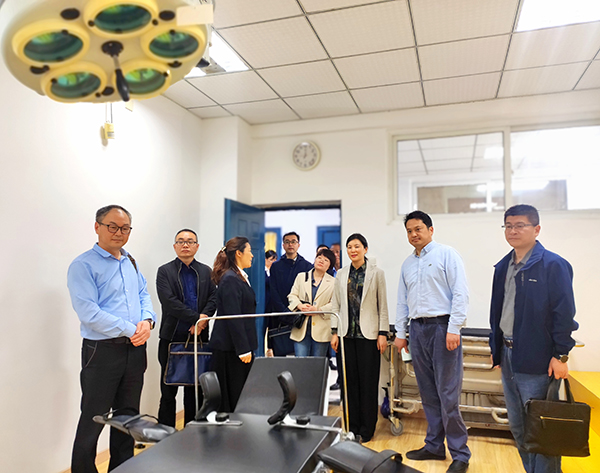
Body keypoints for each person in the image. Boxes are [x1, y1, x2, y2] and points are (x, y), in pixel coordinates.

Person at [67, 205, 156, 473]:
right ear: (97, 227)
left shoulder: (130, 262)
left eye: (125, 228)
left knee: (127, 417)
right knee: (93, 417)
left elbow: (143, 295)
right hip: (101, 351)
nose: (119, 232)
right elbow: (89, 313)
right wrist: (131, 329)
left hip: (135, 350)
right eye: (113, 226)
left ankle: (122, 468)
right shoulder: (83, 265)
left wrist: (148, 321)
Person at [489, 204, 578, 473]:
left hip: (537, 358)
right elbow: (497, 312)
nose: (512, 231)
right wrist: (497, 350)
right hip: (508, 355)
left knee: (542, 427)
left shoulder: (553, 265)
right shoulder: (503, 266)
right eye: (508, 226)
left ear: (536, 229)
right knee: (518, 425)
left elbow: (564, 315)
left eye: (520, 225)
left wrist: (561, 355)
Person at [394, 210, 470, 473]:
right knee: (427, 392)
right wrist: (401, 333)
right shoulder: (407, 264)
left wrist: (454, 328)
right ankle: (434, 446)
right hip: (417, 330)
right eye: (409, 231)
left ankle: (460, 454)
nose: (414, 234)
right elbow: (402, 301)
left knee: (448, 394)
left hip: (442, 328)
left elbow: (460, 293)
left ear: (430, 229)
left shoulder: (447, 254)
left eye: (418, 229)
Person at [156, 229, 217, 427]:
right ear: (175, 246)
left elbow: (214, 298)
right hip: (171, 337)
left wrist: (203, 319)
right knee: (168, 391)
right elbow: (169, 302)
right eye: (181, 241)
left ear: (197, 246)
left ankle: (192, 432)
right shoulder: (165, 271)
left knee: (195, 389)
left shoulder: (206, 271)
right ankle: (165, 433)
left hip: (199, 338)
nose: (185, 245)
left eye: (190, 241)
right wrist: (197, 319)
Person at [331, 233, 388, 443]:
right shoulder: (341, 274)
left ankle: (367, 429)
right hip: (346, 336)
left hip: (369, 336)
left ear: (365, 249)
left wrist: (383, 333)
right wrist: (334, 331)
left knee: (368, 383)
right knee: (349, 384)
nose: (353, 250)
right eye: (349, 247)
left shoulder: (377, 273)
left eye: (357, 246)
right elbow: (336, 305)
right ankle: (352, 427)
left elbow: (383, 306)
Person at [210, 237, 258, 412]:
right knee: (233, 397)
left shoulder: (239, 276)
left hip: (236, 348)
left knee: (242, 395)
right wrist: (243, 349)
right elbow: (233, 316)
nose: (252, 255)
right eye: (249, 251)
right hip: (231, 349)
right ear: (239, 253)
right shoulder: (230, 278)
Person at [268, 231, 313, 356]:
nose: (290, 245)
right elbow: (273, 291)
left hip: (299, 315)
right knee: (280, 354)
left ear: (298, 245)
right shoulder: (276, 266)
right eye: (287, 242)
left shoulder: (307, 266)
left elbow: (308, 292)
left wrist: (296, 310)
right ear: (283, 245)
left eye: (293, 242)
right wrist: (284, 311)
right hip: (280, 314)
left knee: (300, 354)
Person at [288, 248, 337, 357]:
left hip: (322, 329)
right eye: (319, 258)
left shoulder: (333, 282)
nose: (321, 261)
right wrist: (299, 305)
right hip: (301, 328)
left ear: (329, 266)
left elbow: (335, 303)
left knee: (317, 363)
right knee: (300, 362)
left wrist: (319, 310)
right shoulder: (301, 277)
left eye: (326, 260)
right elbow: (292, 295)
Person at [256, 249, 278, 357]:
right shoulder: (261, 272)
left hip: (272, 305)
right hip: (264, 304)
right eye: (271, 260)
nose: (273, 262)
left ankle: (270, 349)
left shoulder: (275, 272)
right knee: (262, 328)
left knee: (272, 328)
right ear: (265, 259)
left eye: (275, 260)